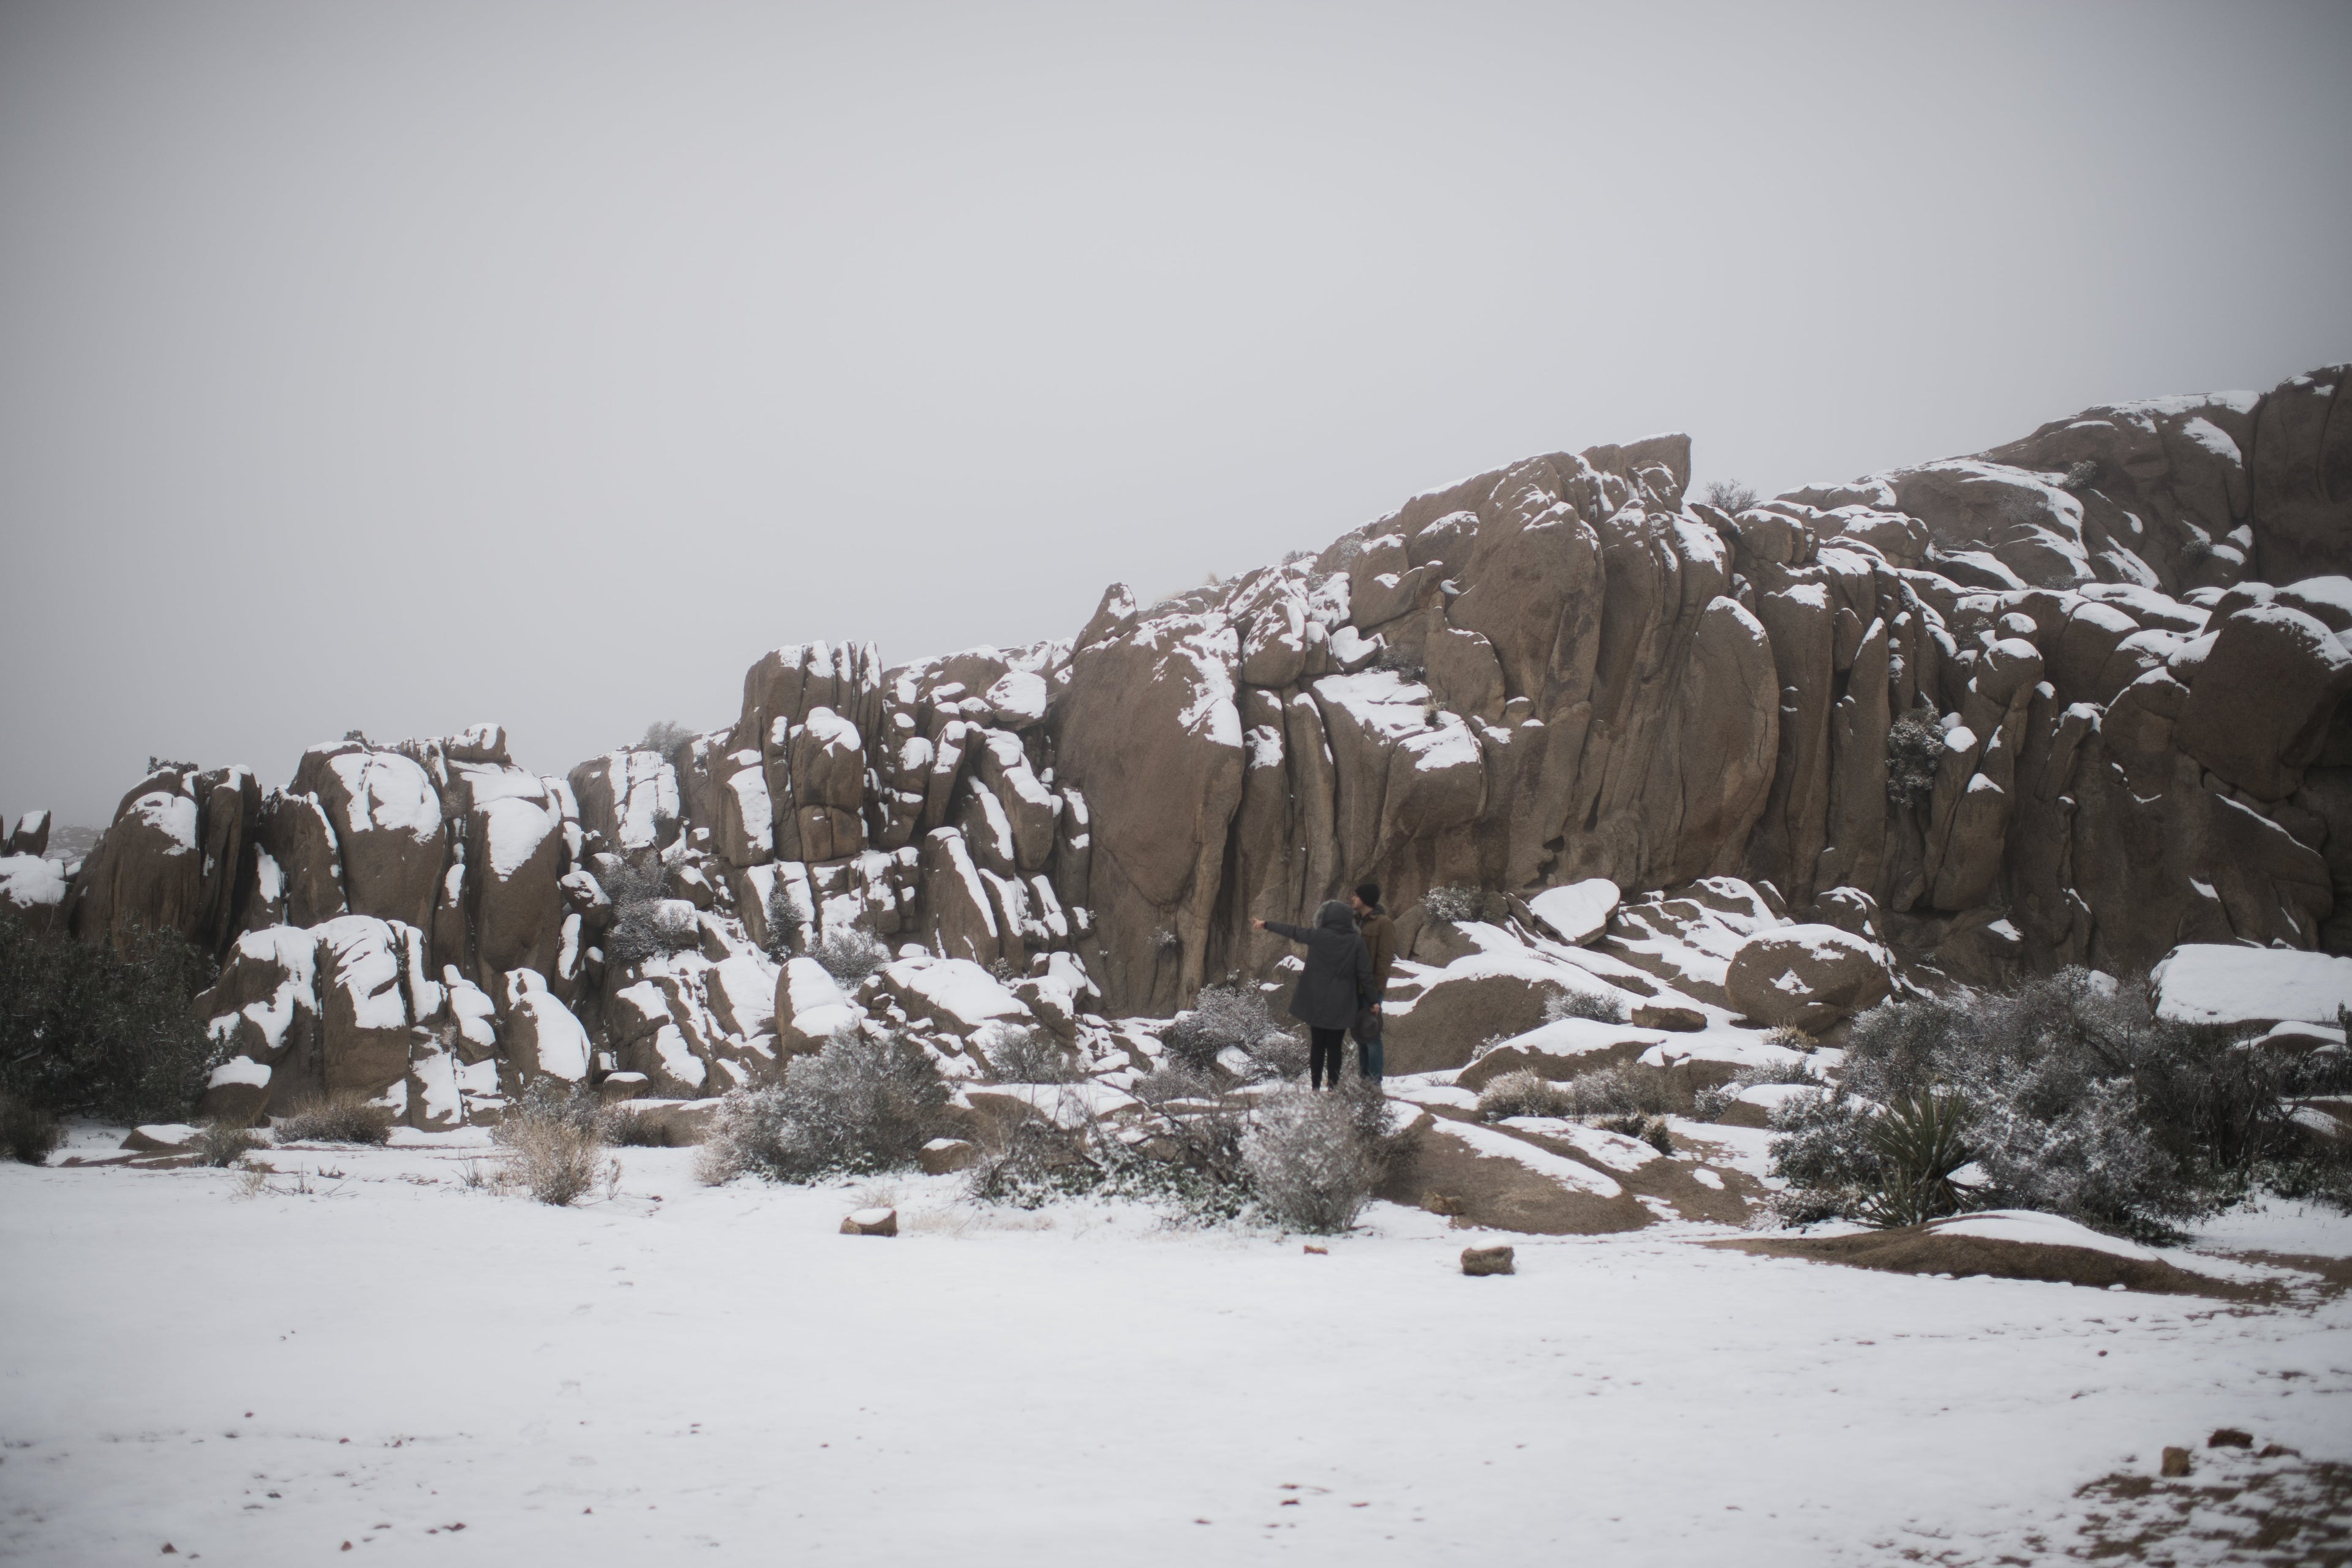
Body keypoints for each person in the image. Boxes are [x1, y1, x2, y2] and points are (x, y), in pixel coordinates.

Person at [1251, 901, 1371, 1090]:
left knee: (1317, 1045)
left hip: (1318, 1000)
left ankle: (1315, 1087)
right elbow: (1365, 973)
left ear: (1327, 918)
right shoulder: (1356, 942)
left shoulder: (1319, 936)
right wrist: (1373, 1000)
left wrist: (1266, 924)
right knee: (1335, 1047)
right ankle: (1333, 1087)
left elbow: (1293, 931)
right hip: (1342, 1002)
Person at [1349, 881, 1396, 1082]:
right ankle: (1363, 1080)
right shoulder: (1353, 922)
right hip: (1352, 988)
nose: (1353, 899)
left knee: (1372, 1036)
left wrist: (1375, 993)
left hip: (1371, 990)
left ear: (1365, 899)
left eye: (1357, 896)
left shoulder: (1384, 924)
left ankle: (1375, 1084)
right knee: (1360, 1036)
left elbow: (1384, 961)